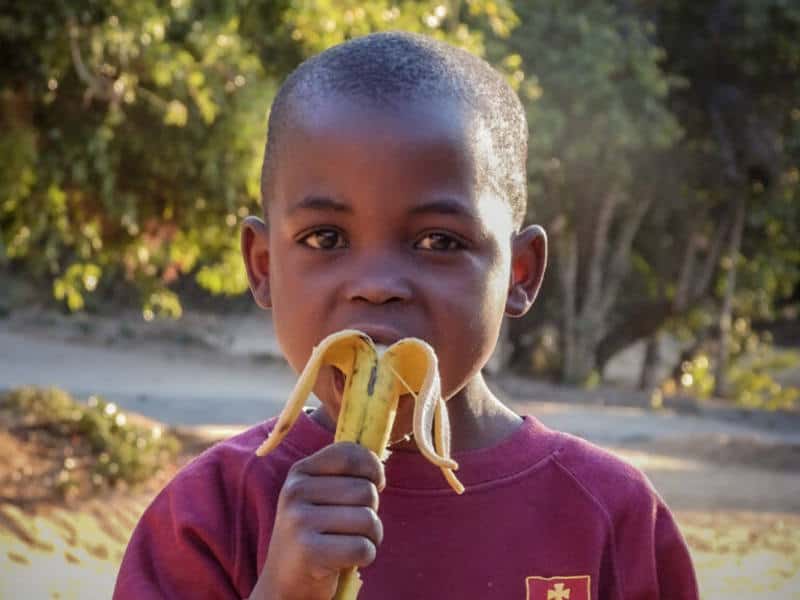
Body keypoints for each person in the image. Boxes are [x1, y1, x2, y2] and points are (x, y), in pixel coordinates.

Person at [114, 32, 698, 600]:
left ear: (520, 274)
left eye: (439, 242)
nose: (376, 286)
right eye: (325, 237)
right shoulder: (210, 514)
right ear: (263, 266)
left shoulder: (610, 516)